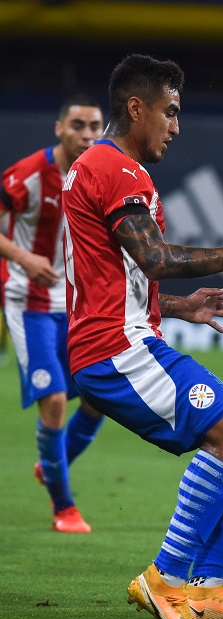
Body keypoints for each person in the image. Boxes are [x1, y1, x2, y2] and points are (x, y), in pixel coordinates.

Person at [61, 54, 223, 619]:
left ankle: (205, 588)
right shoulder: (118, 170)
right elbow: (155, 258)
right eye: (170, 113)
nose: (176, 127)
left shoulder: (93, 169)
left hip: (119, 336)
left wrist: (174, 307)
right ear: (135, 108)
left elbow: (112, 279)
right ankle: (167, 576)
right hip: (116, 349)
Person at [0, 95, 107, 533]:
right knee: (56, 399)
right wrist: (25, 260)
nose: (87, 135)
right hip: (29, 304)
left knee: (101, 398)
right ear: (59, 128)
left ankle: (53, 463)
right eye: (78, 125)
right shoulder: (28, 175)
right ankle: (64, 506)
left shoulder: (102, 174)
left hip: (79, 303)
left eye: (95, 126)